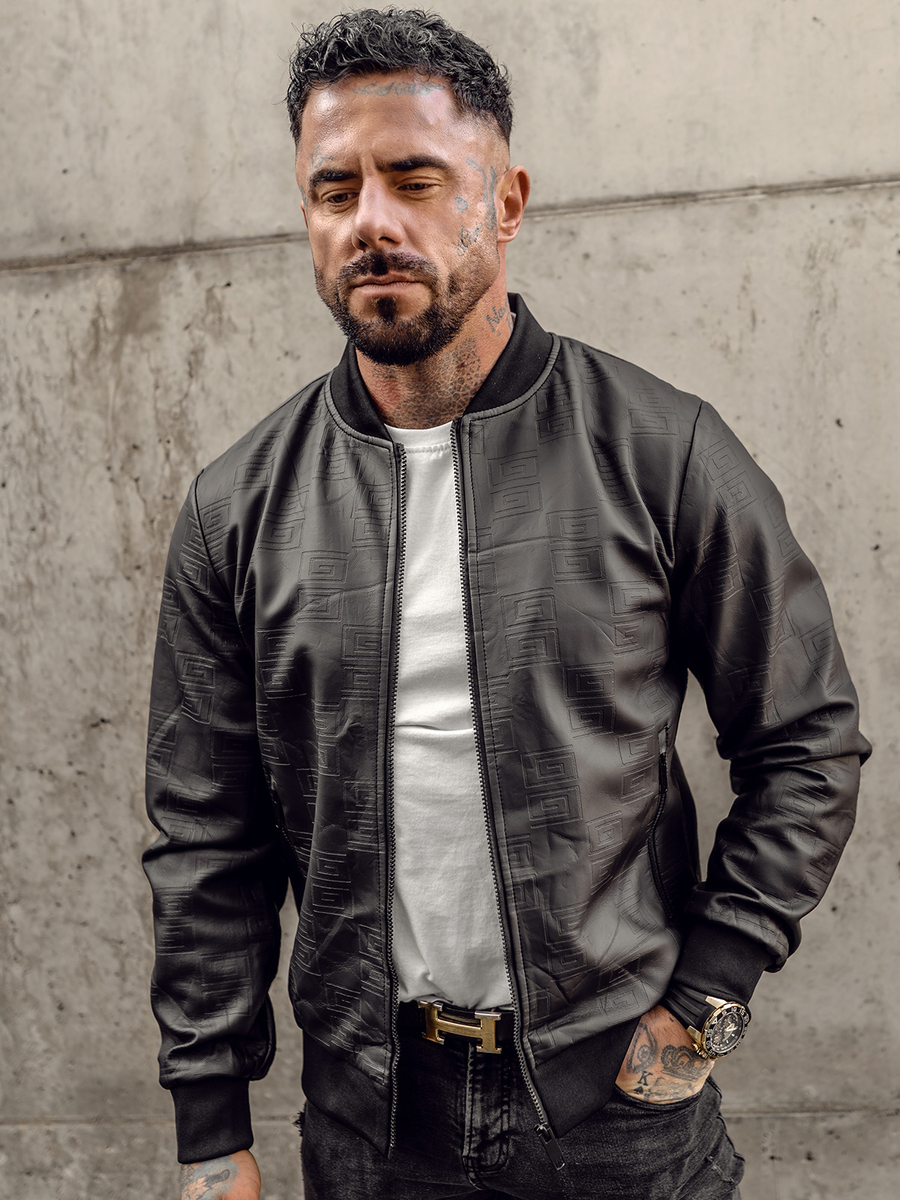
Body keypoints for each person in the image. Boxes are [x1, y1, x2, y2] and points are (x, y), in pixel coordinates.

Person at [143, 9, 870, 1199]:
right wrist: (210, 1125)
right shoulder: (238, 506)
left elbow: (807, 742)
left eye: (414, 179)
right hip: (370, 1123)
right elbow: (206, 832)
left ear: (507, 199)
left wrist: (705, 1003)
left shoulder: (663, 451)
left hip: (615, 1115)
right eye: (335, 191)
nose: (371, 222)